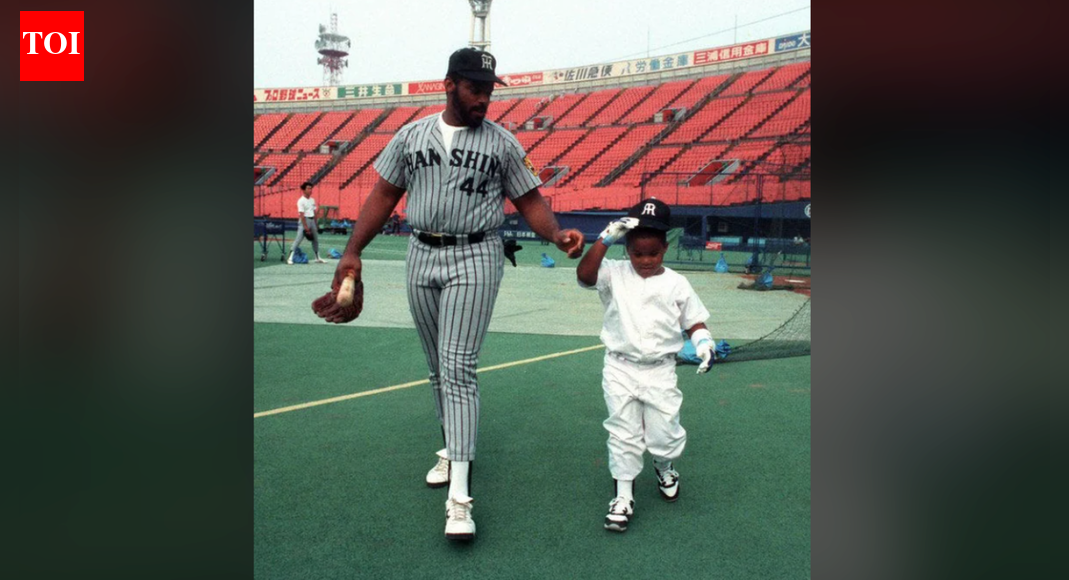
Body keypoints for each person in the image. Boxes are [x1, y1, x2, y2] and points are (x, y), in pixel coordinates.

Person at [314, 47, 585, 541]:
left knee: (458, 366)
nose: (484, 99)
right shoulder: (410, 136)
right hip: (421, 252)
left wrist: (555, 233)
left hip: (476, 254)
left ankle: (460, 496)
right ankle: (453, 447)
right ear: (449, 84)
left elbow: (530, 201)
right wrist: (352, 251)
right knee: (438, 368)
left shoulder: (502, 143)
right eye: (475, 89)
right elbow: (383, 195)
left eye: (488, 91)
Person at [575, 198, 716, 533]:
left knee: (664, 433)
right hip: (620, 367)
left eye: (653, 253)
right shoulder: (614, 273)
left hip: (660, 369)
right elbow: (584, 276)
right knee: (622, 432)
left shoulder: (677, 283)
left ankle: (664, 464)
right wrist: (605, 239)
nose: (646, 260)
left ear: (665, 248)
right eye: (637, 253)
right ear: (627, 250)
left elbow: (694, 321)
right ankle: (623, 496)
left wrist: (704, 344)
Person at [287, 181, 327, 264]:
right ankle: (290, 258)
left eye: (311, 188)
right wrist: (306, 227)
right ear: (304, 190)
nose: (310, 190)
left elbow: (314, 212)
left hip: (312, 221)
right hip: (304, 220)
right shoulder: (301, 201)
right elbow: (301, 215)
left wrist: (316, 224)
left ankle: (317, 257)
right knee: (298, 239)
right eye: (308, 188)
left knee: (315, 239)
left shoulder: (312, 200)